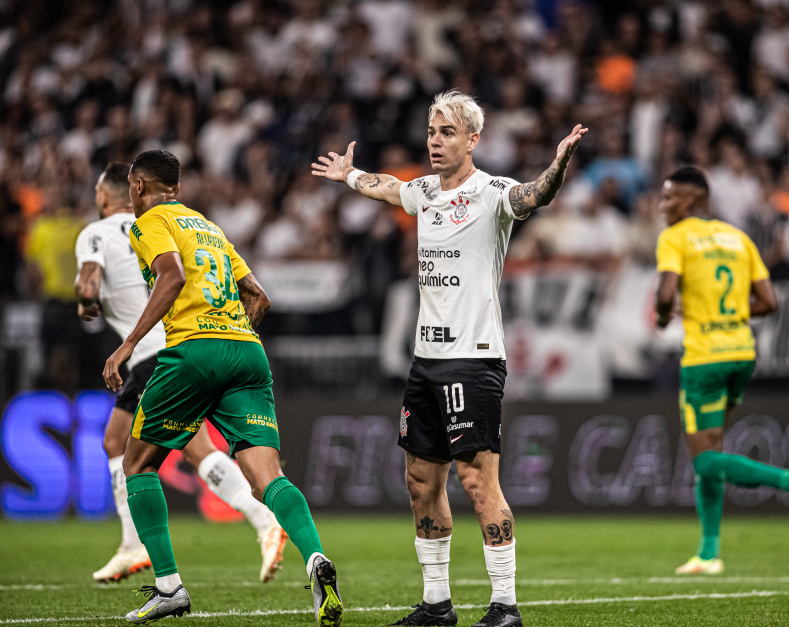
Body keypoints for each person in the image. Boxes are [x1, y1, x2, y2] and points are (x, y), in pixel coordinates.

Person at [312, 90, 586, 627]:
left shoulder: (492, 193)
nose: (435, 142)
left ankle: (505, 605)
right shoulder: (425, 193)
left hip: (474, 359)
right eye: (432, 133)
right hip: (426, 360)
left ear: (472, 140)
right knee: (420, 481)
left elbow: (535, 196)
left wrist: (557, 165)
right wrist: (350, 175)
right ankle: (437, 604)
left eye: (447, 134)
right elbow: (390, 187)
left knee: (479, 480)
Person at [102, 150, 342, 625]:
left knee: (137, 463)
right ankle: (315, 558)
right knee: (267, 478)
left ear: (137, 187)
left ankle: (169, 587)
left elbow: (170, 276)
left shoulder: (149, 221)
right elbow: (259, 295)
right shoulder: (208, 226)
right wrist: (233, 336)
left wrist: (128, 344)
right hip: (247, 353)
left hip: (195, 350)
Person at [76, 162, 288, 584]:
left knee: (192, 452)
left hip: (161, 352)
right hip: (188, 347)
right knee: (116, 441)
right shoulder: (178, 223)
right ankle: (133, 543)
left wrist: (87, 306)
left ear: (106, 196)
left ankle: (264, 521)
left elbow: (87, 286)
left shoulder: (96, 233)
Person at [654, 166, 789, 575]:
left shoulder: (675, 238)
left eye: (670, 198)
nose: (663, 206)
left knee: (705, 461)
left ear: (694, 200)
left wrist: (663, 317)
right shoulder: (738, 238)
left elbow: (664, 294)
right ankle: (708, 553)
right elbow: (769, 301)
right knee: (712, 448)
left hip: (703, 358)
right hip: (741, 354)